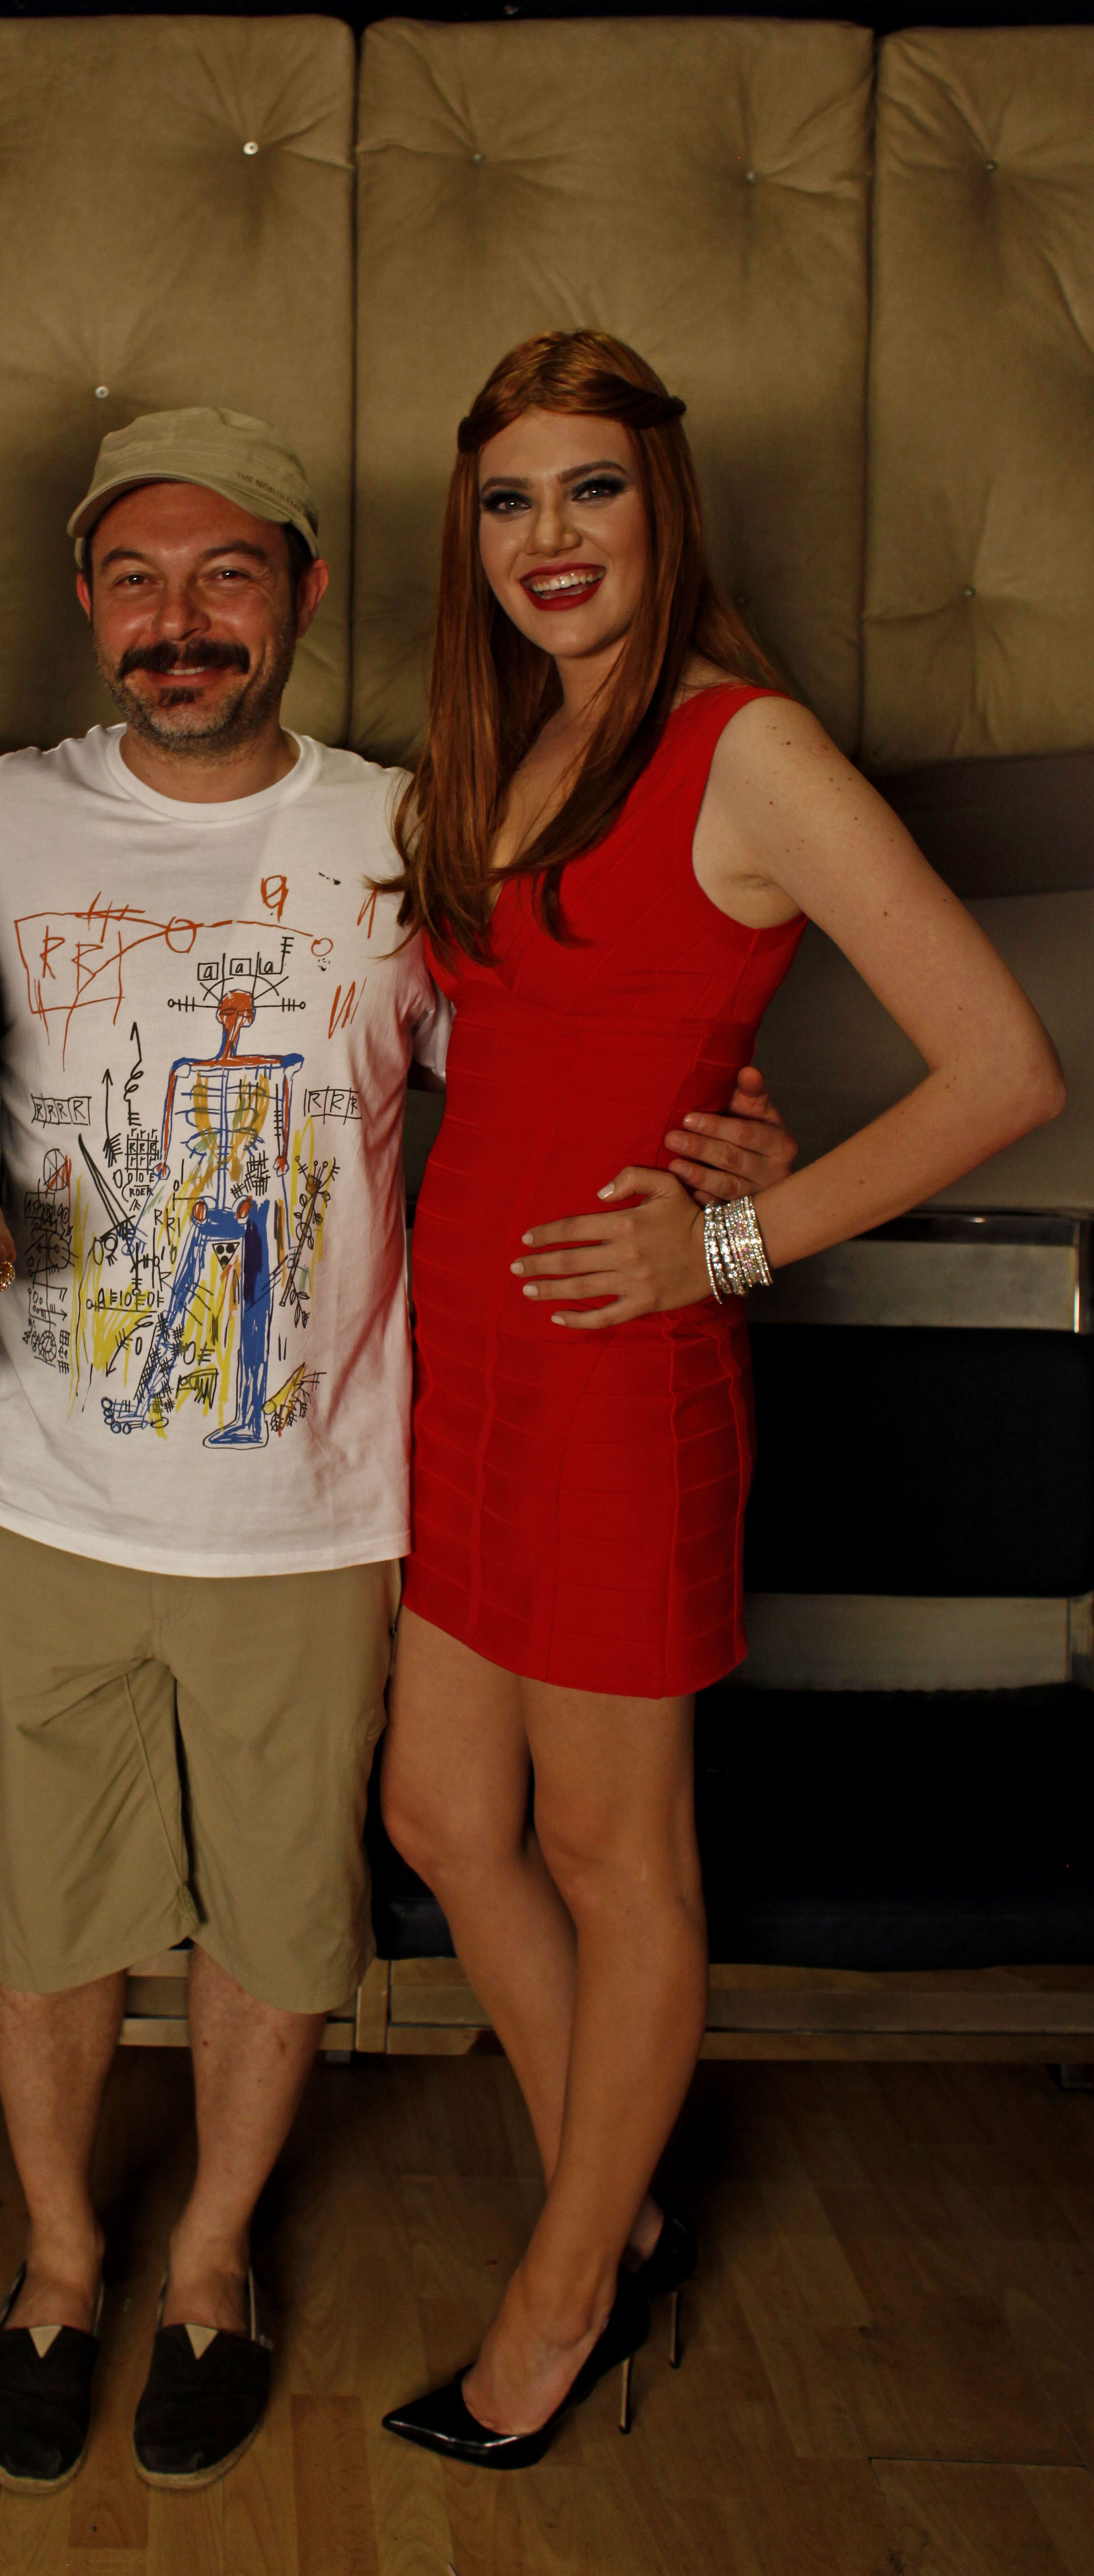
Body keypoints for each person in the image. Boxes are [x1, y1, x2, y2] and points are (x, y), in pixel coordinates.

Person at [0, 401, 791, 2498]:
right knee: (44, 1921)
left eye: (228, 576)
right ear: (85, 603)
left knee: (282, 1924)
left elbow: (553, 1053)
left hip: (321, 1508)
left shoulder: (410, 826)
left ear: (303, 595)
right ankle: (58, 2264)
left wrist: (735, 1151)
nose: (181, 620)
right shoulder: (5, 817)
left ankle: (211, 2263)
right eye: (138, 580)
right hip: (43, 1495)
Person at [378, 329, 1066, 2469]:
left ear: (662, 504)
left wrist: (735, 1238)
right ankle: (625, 2200)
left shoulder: (743, 744)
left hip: (615, 1377)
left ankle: (567, 2289)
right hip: (465, 1359)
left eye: (590, 488)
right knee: (440, 1818)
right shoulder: (514, 737)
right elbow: (533, 1045)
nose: (549, 537)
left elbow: (1003, 1067)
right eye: (509, 499)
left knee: (613, 1854)